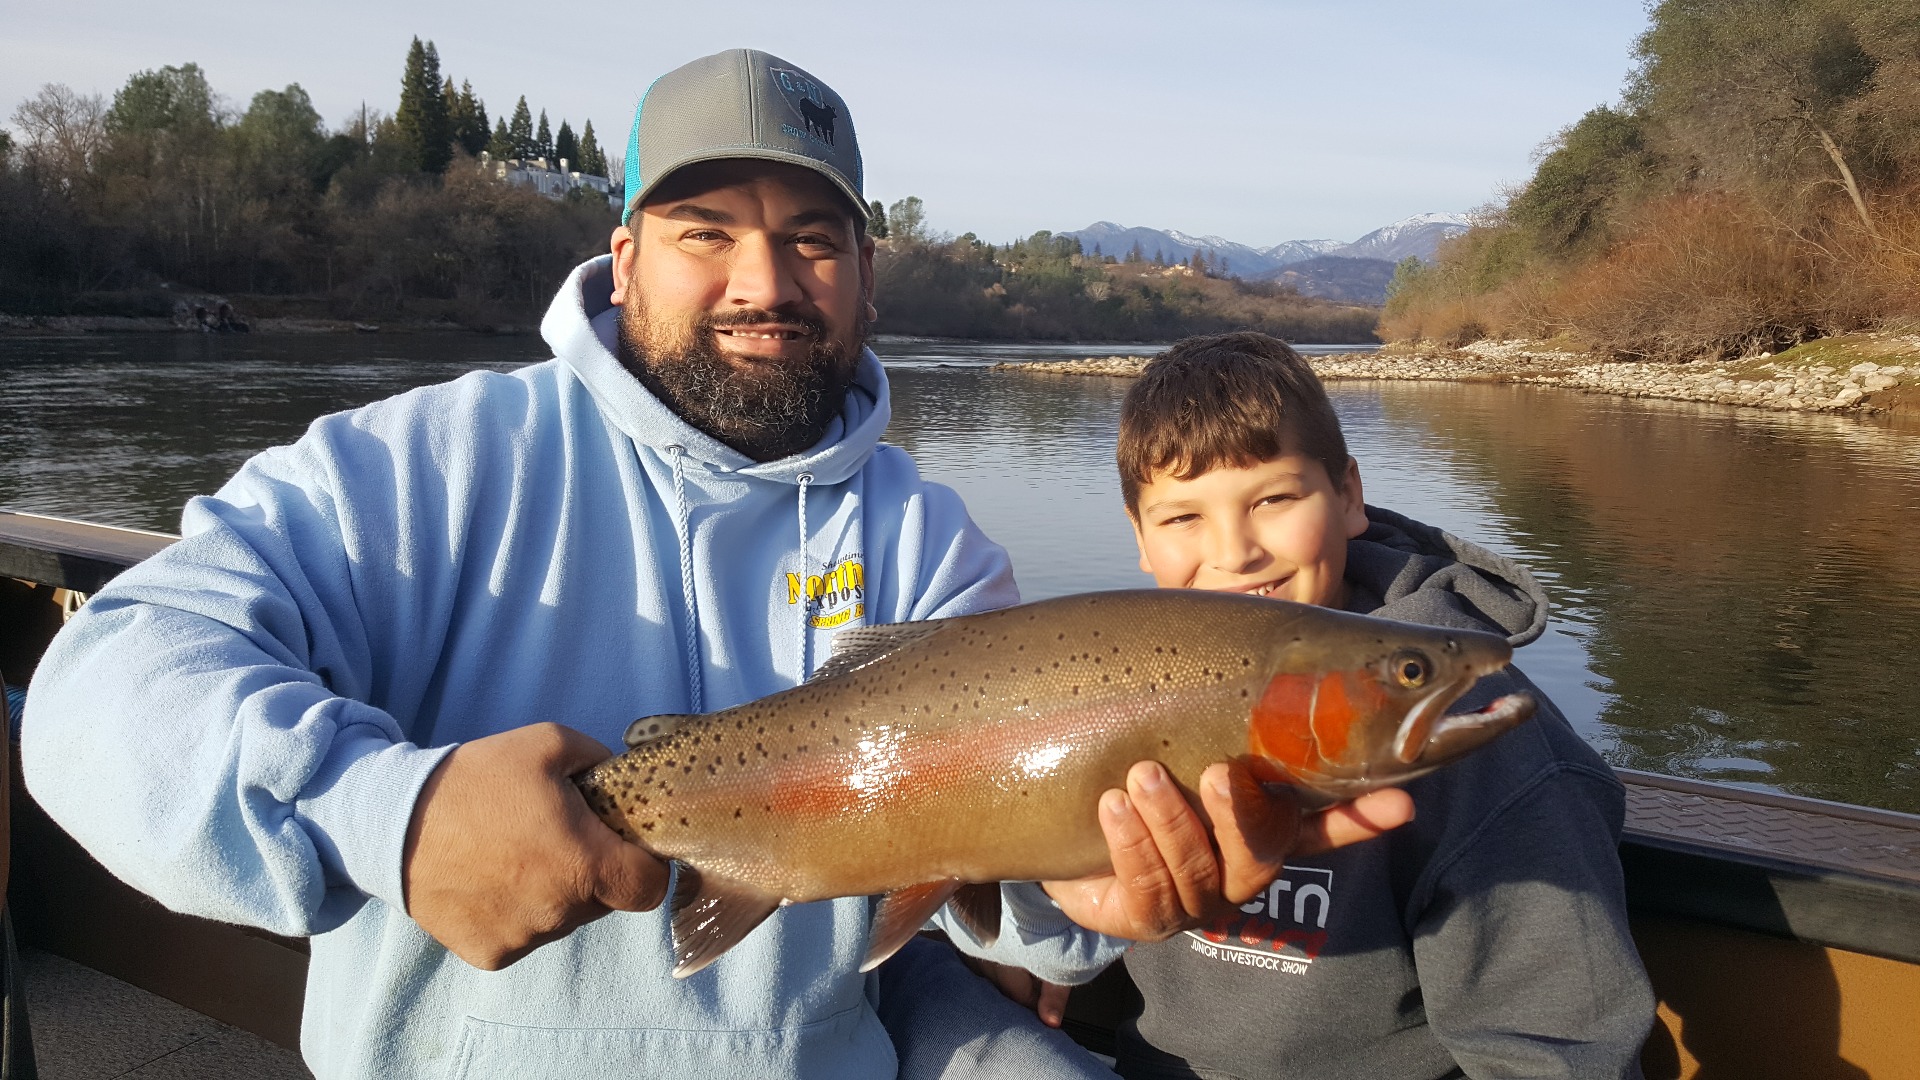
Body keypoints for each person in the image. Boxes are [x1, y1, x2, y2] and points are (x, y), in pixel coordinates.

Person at [20, 53, 1405, 1079]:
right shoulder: (418, 468)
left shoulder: (930, 550)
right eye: (707, 234)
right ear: (622, 260)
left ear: (865, 273)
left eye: (811, 239)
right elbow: (106, 688)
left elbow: (1009, 917)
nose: (766, 281)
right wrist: (389, 812)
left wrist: (1084, 905)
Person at [1099, 332, 1656, 1079]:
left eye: (1273, 498)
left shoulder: (1478, 739)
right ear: (1139, 537)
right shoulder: (1118, 692)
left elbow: (1552, 1054)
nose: (1234, 553)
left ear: (1349, 496)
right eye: (1182, 518)